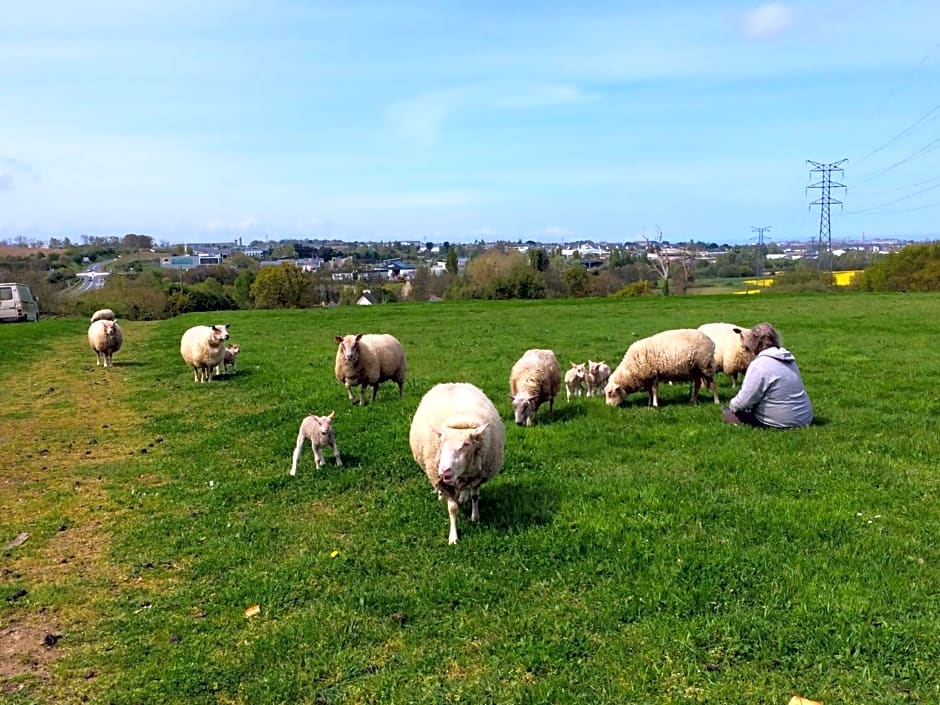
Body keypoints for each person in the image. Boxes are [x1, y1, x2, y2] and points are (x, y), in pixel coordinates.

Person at [722, 322, 813, 429]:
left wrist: (732, 405)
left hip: (781, 421)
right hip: (805, 418)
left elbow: (744, 401)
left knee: (728, 413)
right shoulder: (789, 359)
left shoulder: (759, 365)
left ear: (755, 342)